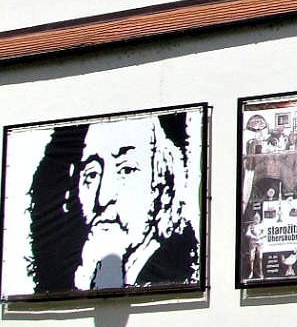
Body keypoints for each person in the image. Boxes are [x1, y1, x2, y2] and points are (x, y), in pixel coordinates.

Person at [70, 113, 201, 290]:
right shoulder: (99, 275)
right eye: (92, 175)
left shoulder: (181, 273)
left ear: (163, 185)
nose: (102, 198)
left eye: (127, 169)